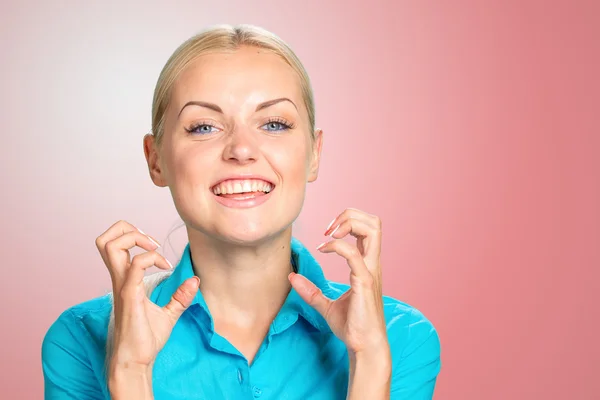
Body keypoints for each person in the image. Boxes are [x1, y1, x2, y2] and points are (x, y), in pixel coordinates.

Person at [41, 24, 441, 399]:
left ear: (314, 154)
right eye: (204, 127)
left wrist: (370, 363)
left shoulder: (400, 338)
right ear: (156, 159)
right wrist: (129, 372)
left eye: (274, 124)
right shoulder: (81, 338)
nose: (242, 150)